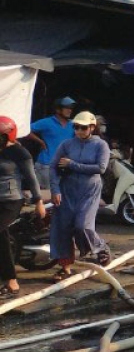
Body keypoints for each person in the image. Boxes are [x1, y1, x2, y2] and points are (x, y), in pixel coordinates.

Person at [49, 112, 110, 276]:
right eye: (75, 127)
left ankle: (100, 247)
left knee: (82, 225)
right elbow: (53, 166)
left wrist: (73, 164)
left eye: (83, 128)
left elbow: (101, 168)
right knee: (63, 227)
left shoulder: (101, 145)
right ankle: (65, 267)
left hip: (89, 190)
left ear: (92, 127)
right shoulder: (67, 144)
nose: (79, 131)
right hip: (67, 189)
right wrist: (55, 190)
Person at [0, 117, 46, 298]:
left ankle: (12, 282)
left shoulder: (20, 152)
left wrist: (38, 201)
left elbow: (32, 178)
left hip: (11, 201)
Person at [27, 96, 76, 193]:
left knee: (62, 195)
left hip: (64, 166)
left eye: (71, 108)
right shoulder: (47, 122)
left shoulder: (73, 124)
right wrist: (40, 141)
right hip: (47, 165)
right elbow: (26, 130)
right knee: (48, 195)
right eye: (66, 108)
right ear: (58, 110)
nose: (70, 110)